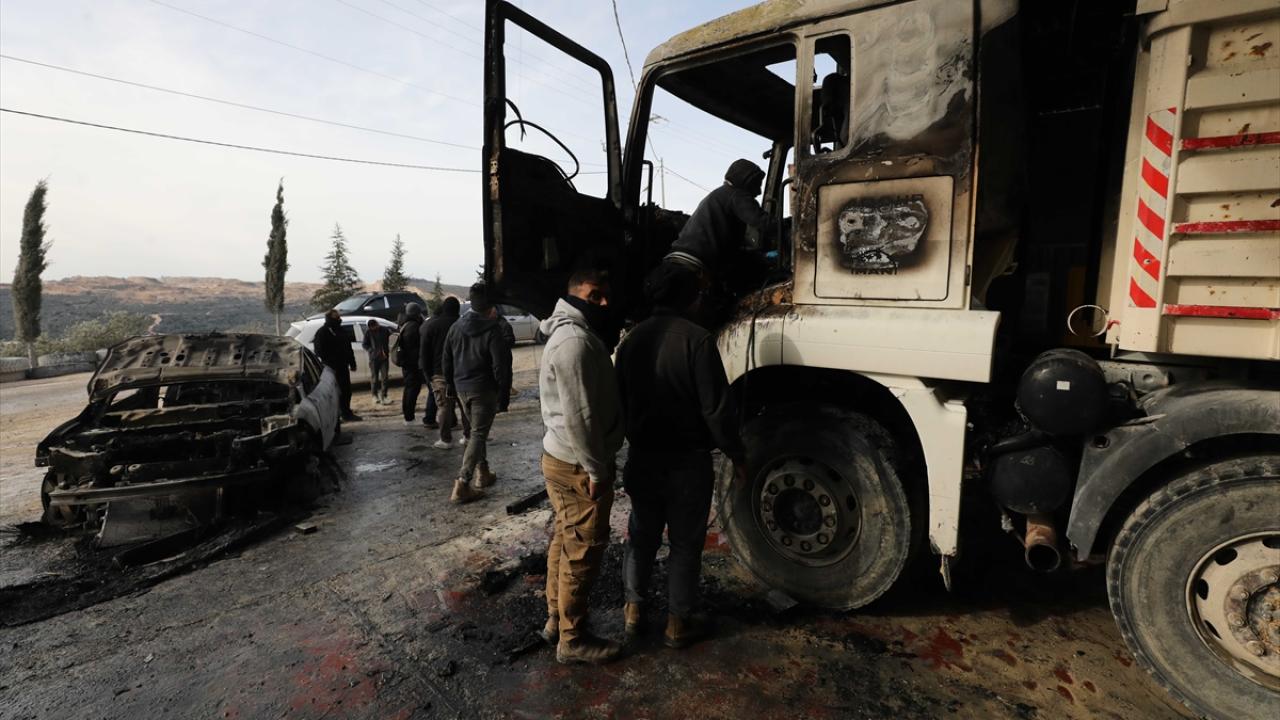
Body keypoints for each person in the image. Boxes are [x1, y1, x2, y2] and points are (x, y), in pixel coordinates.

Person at [615, 262, 747, 649]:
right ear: (689, 298)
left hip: (643, 456)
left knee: (641, 535)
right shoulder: (698, 340)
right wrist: (737, 455)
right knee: (685, 544)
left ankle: (633, 611)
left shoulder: (631, 341)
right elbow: (717, 410)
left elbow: (618, 402)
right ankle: (677, 624)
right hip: (687, 462)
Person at [537, 267, 625, 665]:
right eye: (594, 296)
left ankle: (556, 620)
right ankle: (572, 640)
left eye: (606, 296)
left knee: (564, 538)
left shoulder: (571, 334)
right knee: (582, 551)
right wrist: (597, 471)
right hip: (577, 465)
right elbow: (581, 418)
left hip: (562, 458)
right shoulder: (574, 343)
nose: (604, 303)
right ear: (574, 294)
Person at [441, 284, 512, 504]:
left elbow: (446, 360)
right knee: (478, 434)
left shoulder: (455, 327)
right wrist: (503, 394)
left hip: (461, 388)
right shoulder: (492, 329)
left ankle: (483, 473)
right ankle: (463, 483)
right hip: (483, 389)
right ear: (490, 305)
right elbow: (500, 367)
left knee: (475, 431)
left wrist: (451, 386)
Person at [666, 158, 768, 279]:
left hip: (678, 254)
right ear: (746, 182)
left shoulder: (720, 194)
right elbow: (761, 221)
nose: (759, 192)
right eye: (757, 185)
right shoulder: (737, 195)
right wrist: (784, 226)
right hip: (698, 260)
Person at [420, 296, 466, 448]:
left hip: (439, 373)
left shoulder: (432, 325)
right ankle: (468, 436)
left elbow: (424, 353)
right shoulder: (463, 324)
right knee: (465, 406)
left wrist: (428, 375)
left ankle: (445, 440)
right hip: (462, 372)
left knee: (444, 407)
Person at [313, 309, 361, 422]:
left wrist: (352, 362)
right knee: (334, 393)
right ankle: (335, 416)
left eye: (339, 317)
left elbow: (348, 348)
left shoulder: (341, 331)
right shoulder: (323, 332)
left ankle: (346, 413)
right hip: (331, 368)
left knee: (346, 391)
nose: (339, 319)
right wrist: (331, 361)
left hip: (343, 366)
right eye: (336, 317)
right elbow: (319, 351)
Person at [397, 303, 426, 425]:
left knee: (409, 389)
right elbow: (414, 348)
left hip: (407, 363)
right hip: (412, 364)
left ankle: (408, 416)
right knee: (412, 390)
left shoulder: (405, 323)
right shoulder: (413, 327)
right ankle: (409, 418)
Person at [361, 318, 391, 405]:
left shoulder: (385, 330)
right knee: (374, 378)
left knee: (385, 378)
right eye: (373, 327)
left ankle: (384, 396)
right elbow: (364, 344)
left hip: (384, 358)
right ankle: (374, 396)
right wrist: (371, 350)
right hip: (374, 359)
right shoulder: (368, 332)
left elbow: (391, 338)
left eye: (376, 326)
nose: (375, 328)